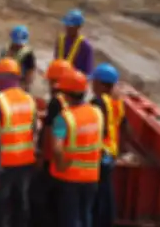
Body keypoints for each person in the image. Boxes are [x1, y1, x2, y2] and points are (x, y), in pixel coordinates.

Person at [50, 69, 103, 227]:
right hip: (92, 176)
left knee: (70, 219)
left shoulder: (63, 118)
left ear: (66, 94)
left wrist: (61, 165)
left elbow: (57, 148)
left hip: (70, 178)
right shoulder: (97, 113)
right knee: (85, 215)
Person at [0, 58, 37, 227]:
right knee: (21, 203)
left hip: (4, 163)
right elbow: (33, 129)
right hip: (25, 160)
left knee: (1, 206)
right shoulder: (29, 100)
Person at [33, 59, 75, 227]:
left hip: (53, 157)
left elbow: (51, 131)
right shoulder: (71, 99)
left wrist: (43, 155)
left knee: (42, 197)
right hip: (67, 155)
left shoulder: (56, 102)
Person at [91, 63, 129, 227]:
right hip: (111, 152)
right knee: (106, 192)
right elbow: (124, 126)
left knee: (98, 194)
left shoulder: (97, 103)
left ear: (101, 84)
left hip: (100, 153)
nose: (92, 85)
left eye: (94, 82)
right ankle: (108, 220)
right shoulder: (117, 103)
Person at [54, 9, 94, 75]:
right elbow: (55, 62)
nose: (68, 28)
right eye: (67, 25)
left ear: (79, 27)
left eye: (71, 26)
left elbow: (88, 72)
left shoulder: (85, 46)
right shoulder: (60, 41)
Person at [0, 25, 36, 91]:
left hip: (20, 84)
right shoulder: (5, 50)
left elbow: (30, 71)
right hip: (5, 82)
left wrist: (26, 85)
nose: (18, 45)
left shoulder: (28, 54)